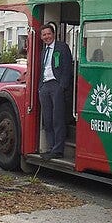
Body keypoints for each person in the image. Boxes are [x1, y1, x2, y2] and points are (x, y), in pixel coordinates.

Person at [38, 22, 73, 159]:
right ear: (41, 37)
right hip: (45, 87)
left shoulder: (62, 47)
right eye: (44, 34)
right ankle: (52, 148)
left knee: (58, 118)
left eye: (48, 34)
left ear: (53, 34)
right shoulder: (44, 51)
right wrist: (40, 87)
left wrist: (62, 86)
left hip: (56, 86)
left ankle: (58, 150)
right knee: (47, 120)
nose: (47, 36)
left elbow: (67, 68)